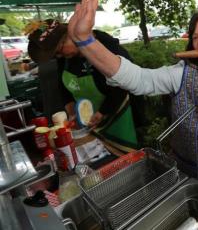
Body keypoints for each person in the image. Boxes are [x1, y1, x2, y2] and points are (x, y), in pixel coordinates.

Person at [64, 0, 198, 205]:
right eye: (196, 37)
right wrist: (86, 41)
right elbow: (138, 79)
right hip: (193, 182)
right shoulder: (181, 74)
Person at [27, 19, 145, 152]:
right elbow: (63, 87)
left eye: (60, 49)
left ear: (71, 34)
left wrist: (102, 113)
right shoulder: (64, 58)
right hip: (92, 124)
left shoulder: (106, 46)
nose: (60, 56)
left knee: (130, 155)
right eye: (56, 55)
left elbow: (124, 83)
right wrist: (71, 111)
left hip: (122, 117)